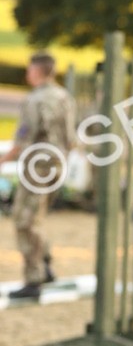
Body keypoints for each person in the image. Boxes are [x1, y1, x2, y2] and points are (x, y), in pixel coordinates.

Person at [5, 51, 76, 299]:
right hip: (56, 167)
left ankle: (34, 278)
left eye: (29, 69)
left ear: (37, 71)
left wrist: (3, 159)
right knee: (35, 218)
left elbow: (23, 139)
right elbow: (70, 138)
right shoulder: (64, 96)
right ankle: (45, 265)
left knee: (23, 221)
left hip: (36, 169)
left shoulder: (35, 100)